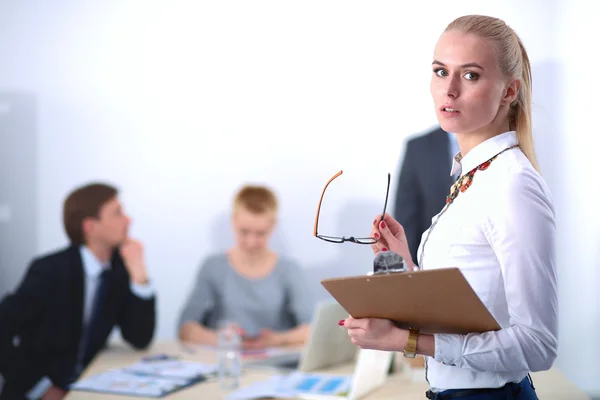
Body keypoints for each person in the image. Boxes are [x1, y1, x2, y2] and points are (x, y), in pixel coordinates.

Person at [340, 15, 557, 399]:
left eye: (470, 75)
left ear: (510, 91)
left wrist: (406, 341)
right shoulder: (473, 176)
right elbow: (468, 307)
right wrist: (406, 263)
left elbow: (538, 345)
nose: (449, 90)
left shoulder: (513, 185)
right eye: (441, 71)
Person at [0, 183, 156, 400]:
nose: (128, 220)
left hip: (84, 390)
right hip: (36, 393)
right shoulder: (50, 270)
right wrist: (41, 388)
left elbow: (138, 337)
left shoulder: (119, 270)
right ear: (90, 226)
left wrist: (140, 276)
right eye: (118, 213)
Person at [178, 185, 314, 350]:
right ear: (233, 221)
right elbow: (186, 328)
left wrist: (277, 339)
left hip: (275, 366)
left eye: (260, 234)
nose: (251, 242)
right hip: (224, 362)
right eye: (244, 232)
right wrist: (223, 338)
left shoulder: (289, 270)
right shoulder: (213, 266)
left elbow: (313, 329)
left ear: (273, 225)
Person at [393, 126, 460, 265]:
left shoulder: (507, 146)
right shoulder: (418, 148)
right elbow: (406, 219)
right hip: (434, 267)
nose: (450, 102)